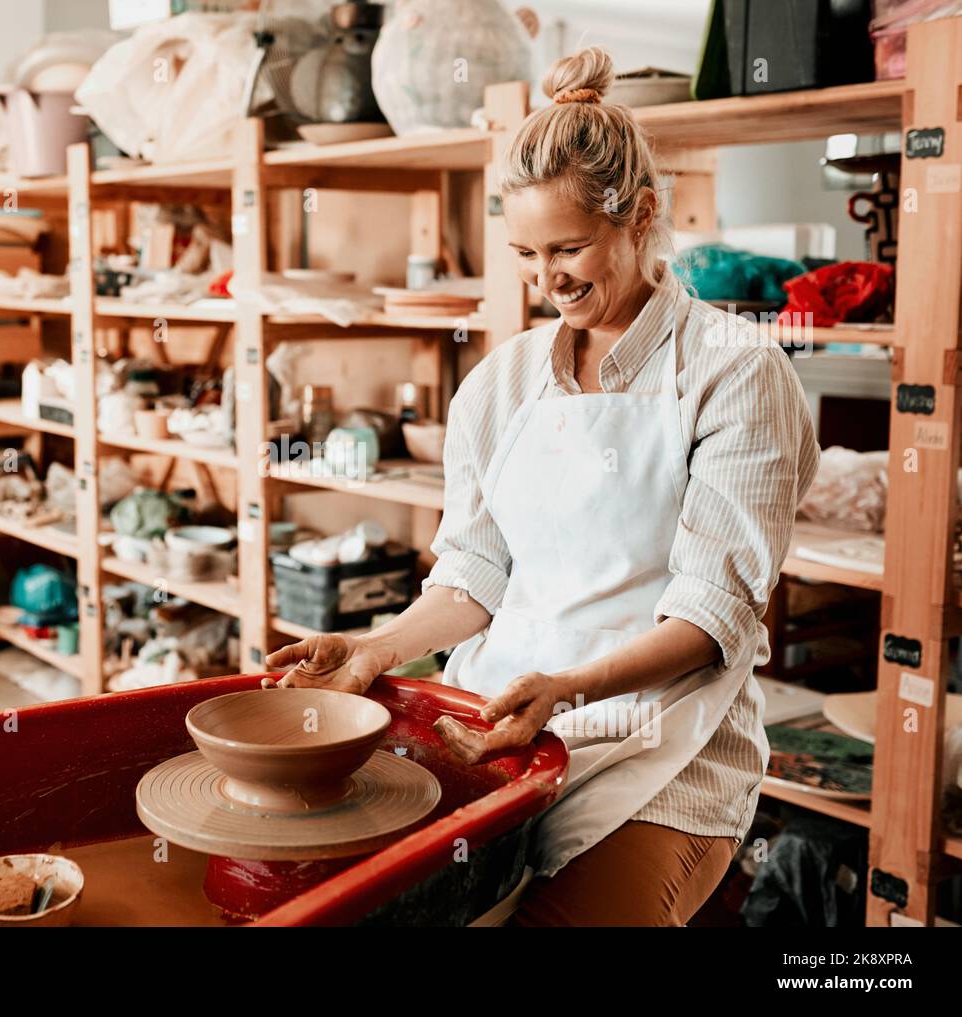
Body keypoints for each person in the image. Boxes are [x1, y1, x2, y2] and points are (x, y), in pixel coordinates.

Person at [263, 46, 819, 926]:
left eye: (569, 248)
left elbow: (715, 615)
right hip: (499, 722)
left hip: (665, 744)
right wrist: (376, 647)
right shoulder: (503, 380)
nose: (545, 280)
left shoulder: (734, 372)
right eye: (526, 253)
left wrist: (569, 687)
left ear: (639, 219)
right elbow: (473, 575)